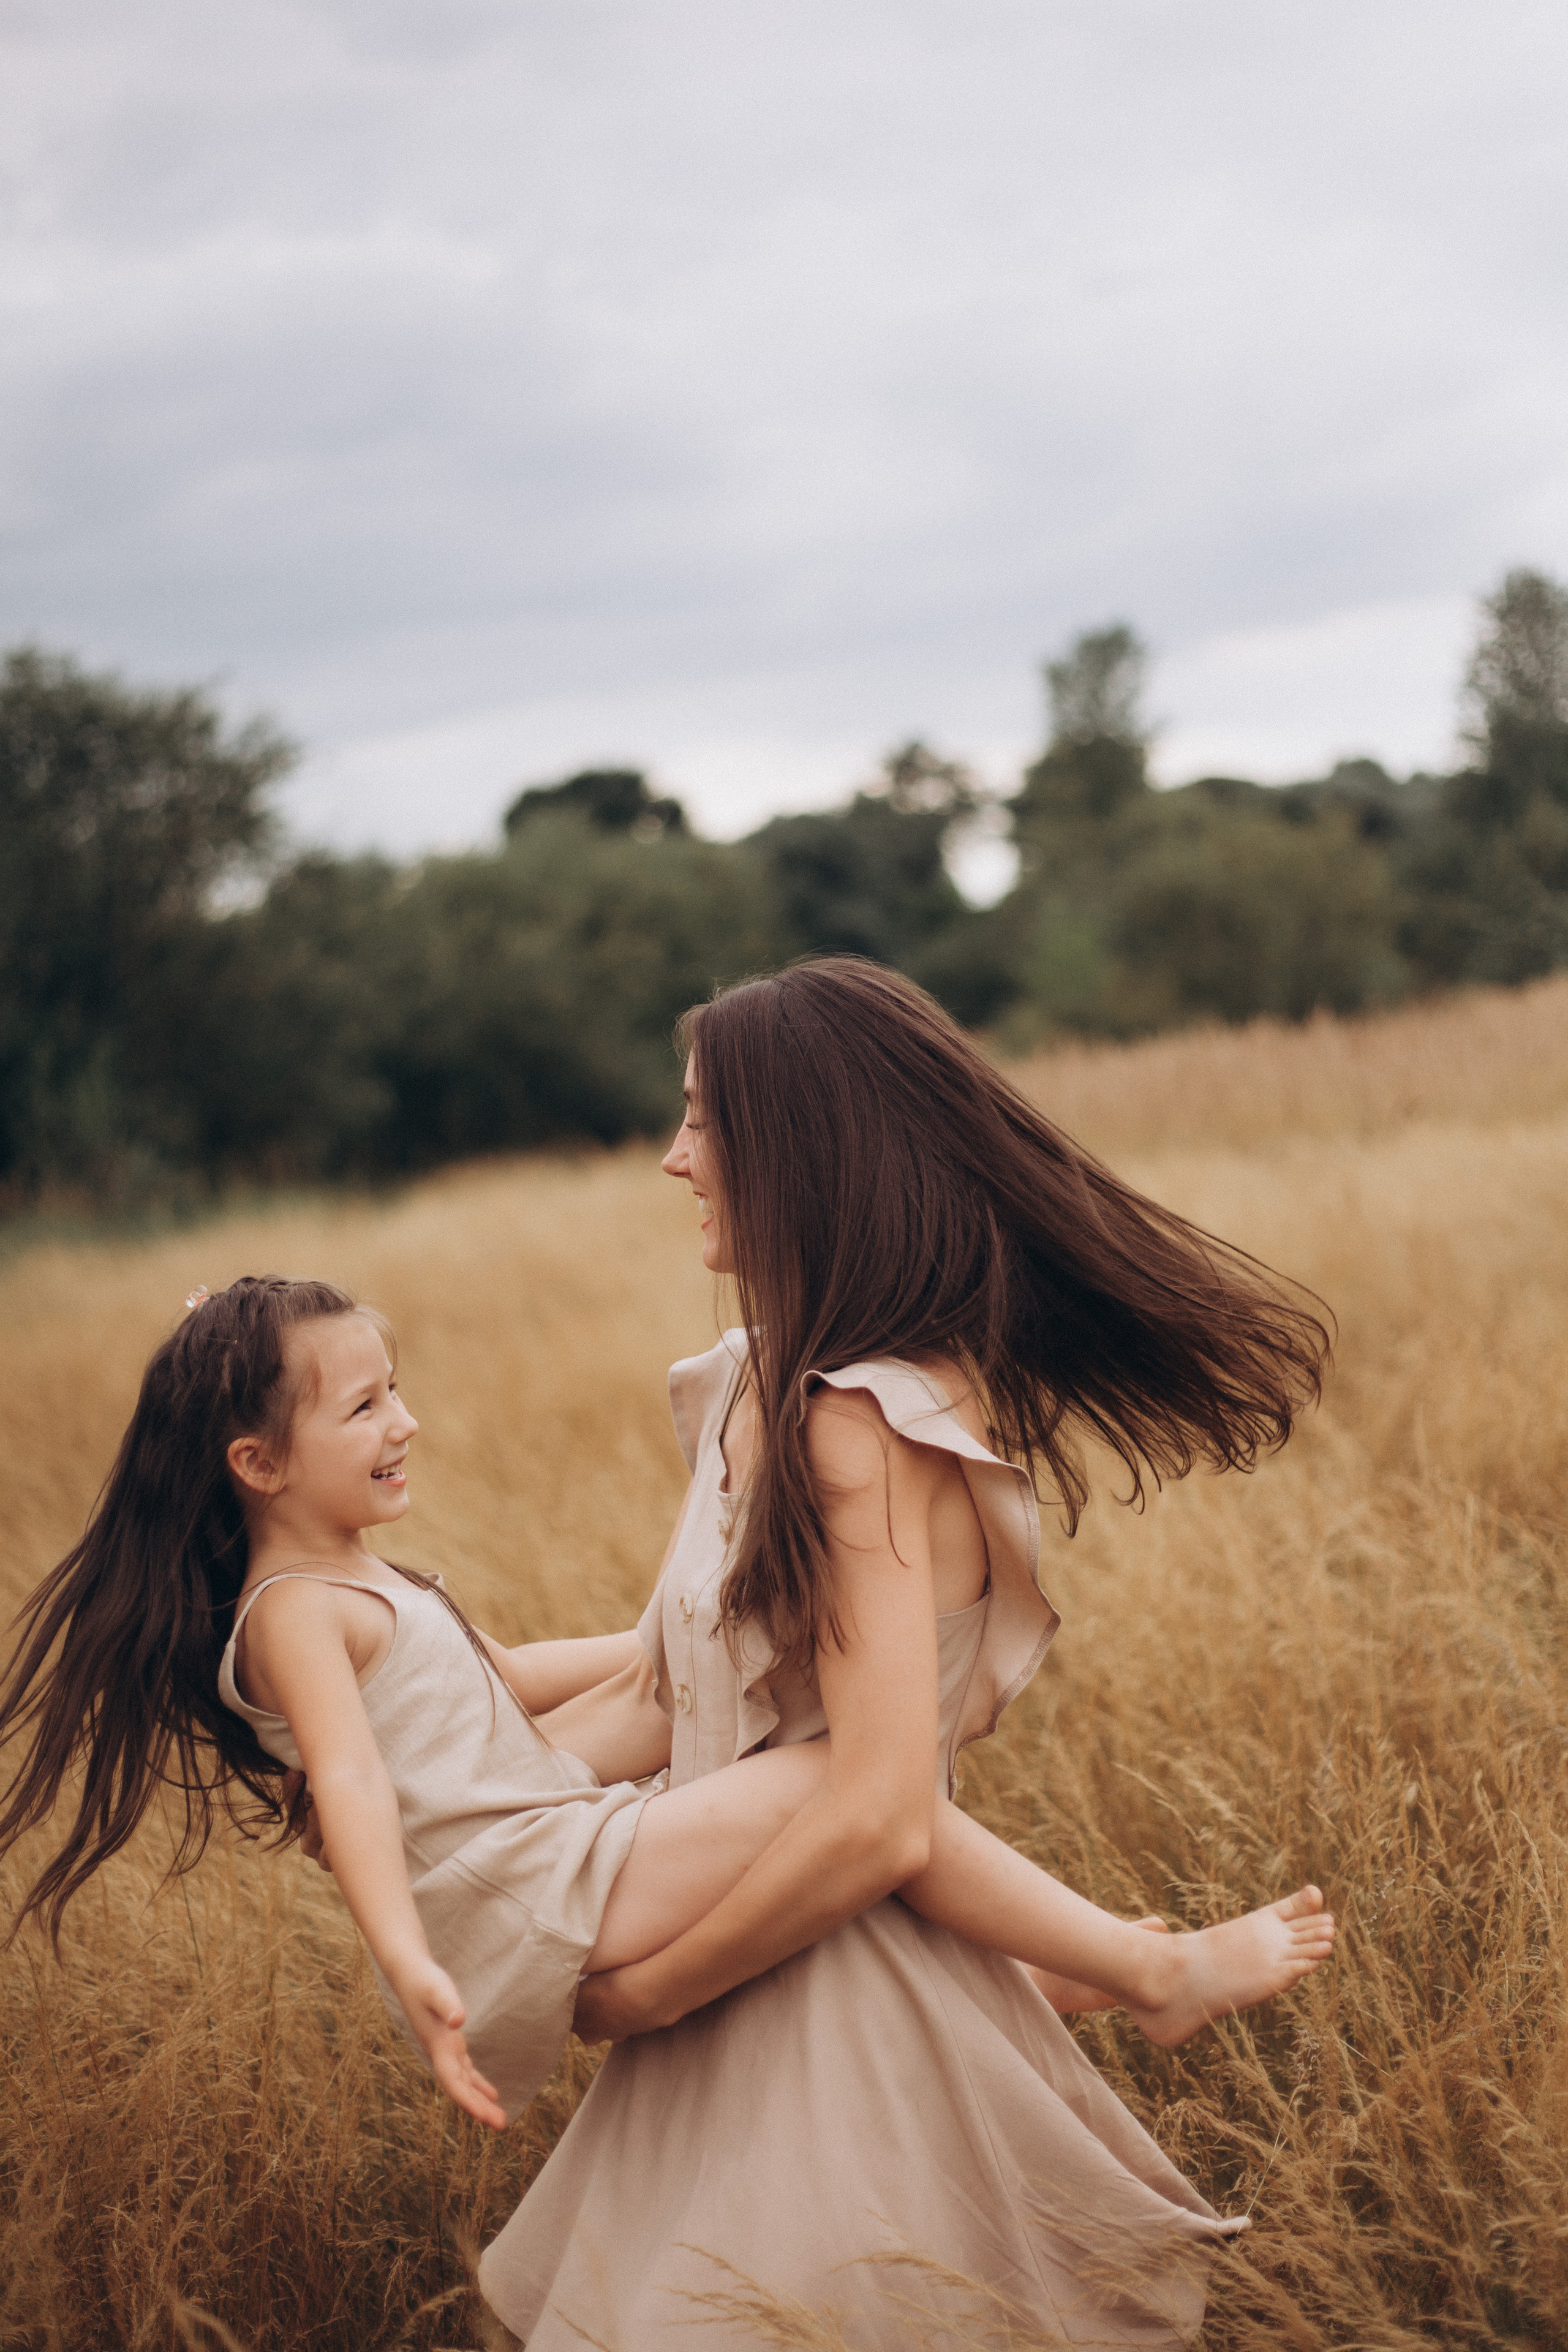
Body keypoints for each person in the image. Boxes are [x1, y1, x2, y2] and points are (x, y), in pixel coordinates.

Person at [477, 957, 1338, 2350]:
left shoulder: (856, 1425)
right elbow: (657, 1684)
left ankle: (1128, 1969)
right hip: (748, 1964)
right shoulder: (758, 1387)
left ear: (796, 1148)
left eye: (701, 1124)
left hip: (812, 1991)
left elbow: (878, 1810)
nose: (669, 1157)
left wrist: (642, 1989)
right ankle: (1104, 1967)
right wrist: (415, 1763)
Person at [0, 1270, 1328, 2140]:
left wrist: (690, 1622)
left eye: (393, 1386)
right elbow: (347, 1782)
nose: (403, 1421)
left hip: (547, 1864)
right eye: (362, 1406)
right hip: (532, 1884)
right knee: (853, 1787)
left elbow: (499, 1685)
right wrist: (408, 1968)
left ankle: (1029, 1985)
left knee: (820, 1872)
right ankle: (1150, 1970)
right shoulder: (294, 1614)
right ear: (258, 1461)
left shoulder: (353, 1582)